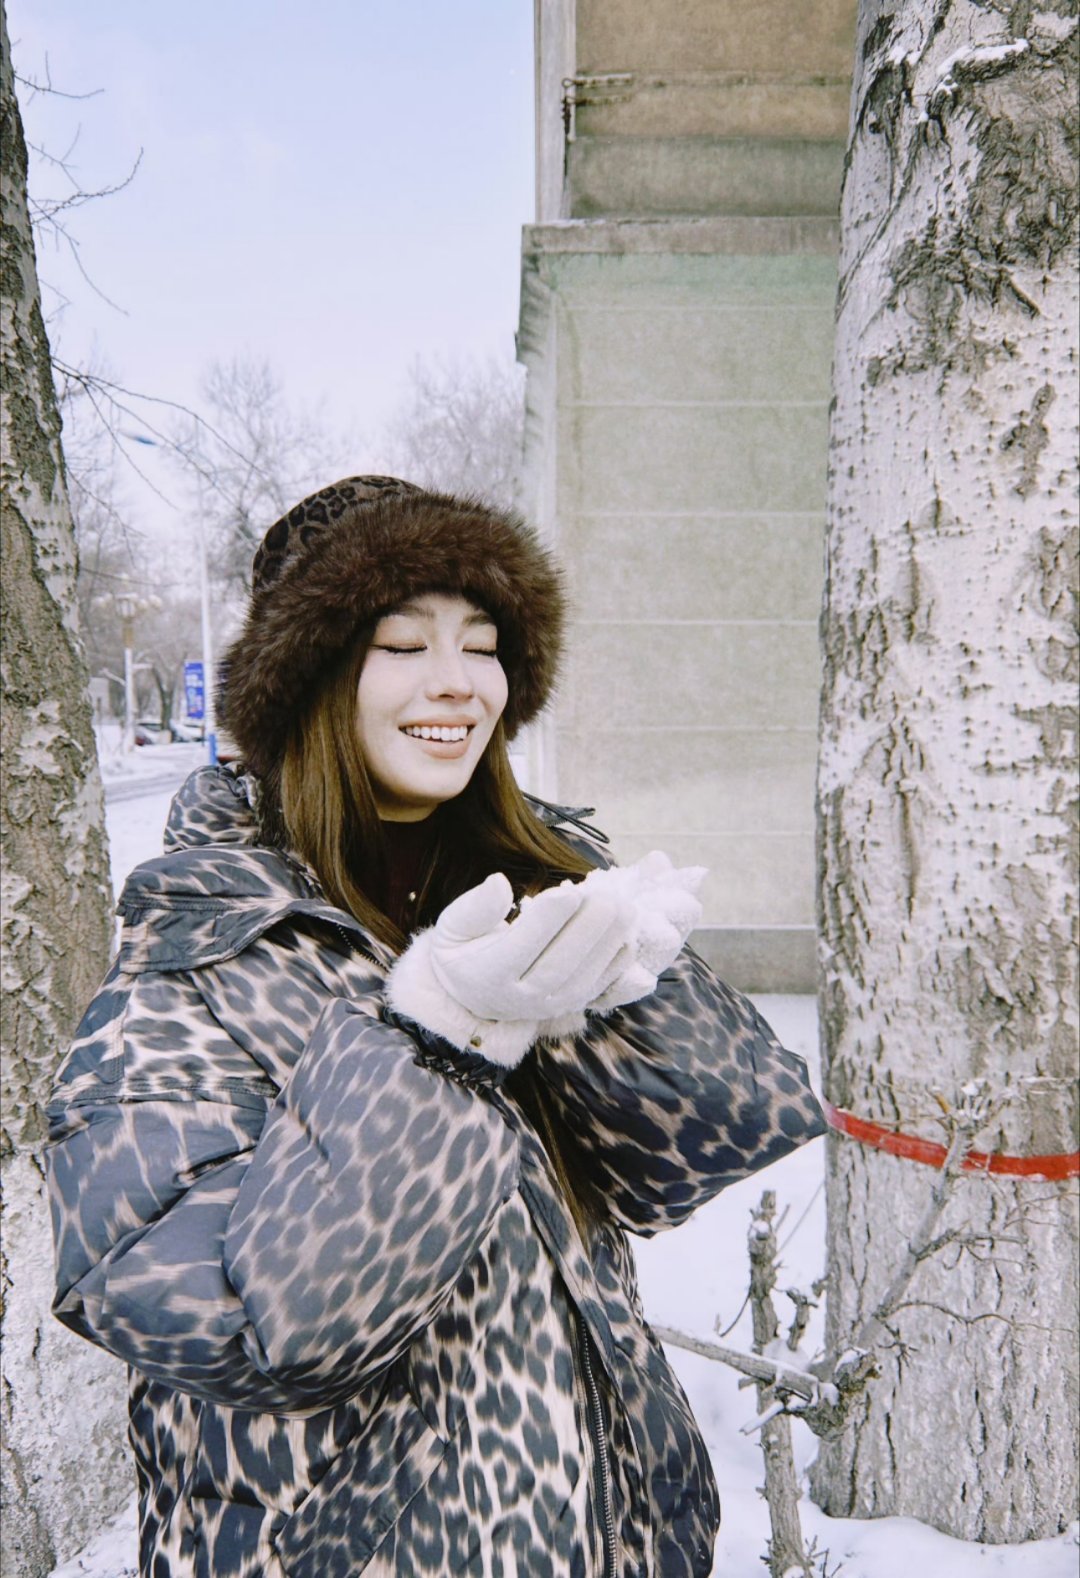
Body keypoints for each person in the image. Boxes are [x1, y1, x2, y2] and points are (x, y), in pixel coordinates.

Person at [47, 477, 825, 1578]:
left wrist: (624, 991)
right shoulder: (199, 951)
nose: (456, 683)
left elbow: (695, 1155)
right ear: (309, 680)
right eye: (403, 645)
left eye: (484, 642)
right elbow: (241, 1324)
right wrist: (433, 1046)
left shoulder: (521, 887)